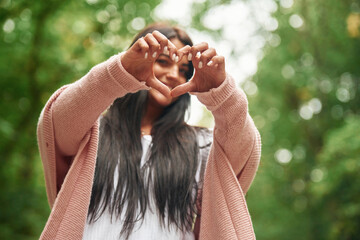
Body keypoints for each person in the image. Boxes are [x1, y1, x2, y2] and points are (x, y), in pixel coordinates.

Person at [37, 23, 261, 240]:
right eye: (163, 62)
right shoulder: (92, 132)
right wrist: (120, 72)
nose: (175, 74)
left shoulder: (201, 144)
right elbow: (57, 121)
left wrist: (221, 92)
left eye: (184, 70)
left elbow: (245, 152)